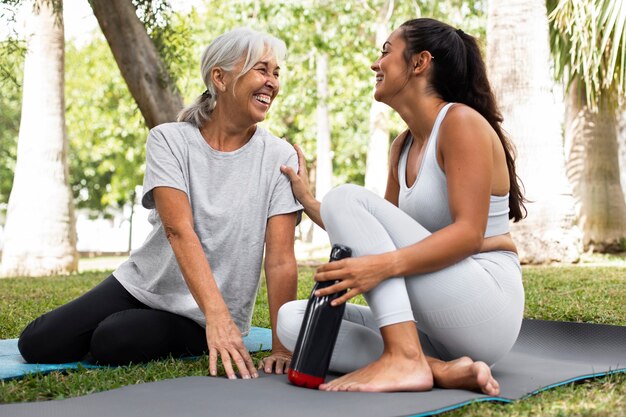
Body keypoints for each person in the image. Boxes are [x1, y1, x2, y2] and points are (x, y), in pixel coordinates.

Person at [18, 28, 302, 380]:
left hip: (198, 316)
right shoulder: (168, 140)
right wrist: (218, 317)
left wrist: (282, 346)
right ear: (221, 77)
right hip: (142, 284)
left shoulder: (279, 155)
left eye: (276, 73)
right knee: (36, 343)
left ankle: (147, 331)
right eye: (263, 69)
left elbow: (279, 259)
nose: (272, 82)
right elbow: (178, 229)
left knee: (113, 340)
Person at [277, 18, 526, 394]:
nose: (376, 64)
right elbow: (372, 234)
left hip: (485, 305)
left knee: (345, 195)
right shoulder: (402, 146)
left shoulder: (460, 122)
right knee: (292, 321)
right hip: (436, 321)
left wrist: (380, 267)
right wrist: (309, 201)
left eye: (386, 52)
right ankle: (438, 368)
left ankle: (404, 358)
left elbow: (468, 234)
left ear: (419, 62)